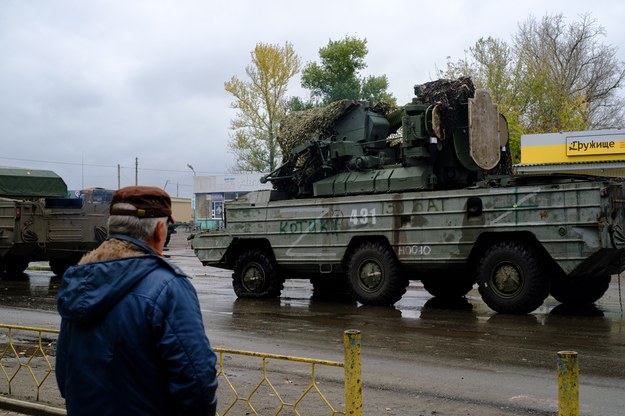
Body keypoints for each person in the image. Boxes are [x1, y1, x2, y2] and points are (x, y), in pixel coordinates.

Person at [56, 186, 218, 416]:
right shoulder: (169, 287)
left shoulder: (79, 282)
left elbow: (65, 376)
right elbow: (196, 382)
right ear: (160, 230)